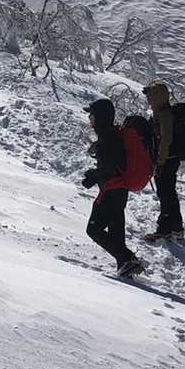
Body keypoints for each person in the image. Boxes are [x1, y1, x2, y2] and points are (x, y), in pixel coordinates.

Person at [82, 98, 144, 276]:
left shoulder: (109, 137)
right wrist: (95, 175)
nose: (90, 119)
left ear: (100, 116)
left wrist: (93, 175)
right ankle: (125, 268)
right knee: (116, 233)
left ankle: (128, 259)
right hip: (118, 191)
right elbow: (112, 166)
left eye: (92, 115)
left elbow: (110, 167)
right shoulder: (110, 135)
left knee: (93, 229)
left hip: (112, 191)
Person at [142, 81, 184, 241]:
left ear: (158, 97)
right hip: (169, 159)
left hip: (166, 160)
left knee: (165, 194)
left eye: (151, 96)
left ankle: (164, 229)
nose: (148, 99)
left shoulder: (164, 114)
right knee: (169, 193)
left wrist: (160, 161)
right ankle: (177, 228)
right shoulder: (162, 112)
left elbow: (166, 139)